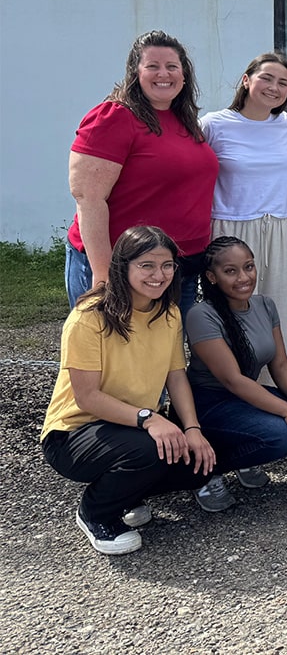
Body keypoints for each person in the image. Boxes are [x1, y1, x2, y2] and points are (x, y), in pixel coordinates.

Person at [41, 226, 216, 556]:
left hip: (132, 425)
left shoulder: (170, 313)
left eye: (167, 265)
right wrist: (149, 419)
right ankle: (96, 514)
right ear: (123, 266)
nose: (158, 275)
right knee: (148, 451)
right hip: (73, 433)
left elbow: (176, 377)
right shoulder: (88, 317)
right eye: (146, 265)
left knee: (198, 461)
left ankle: (130, 494)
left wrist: (192, 430)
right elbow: (87, 397)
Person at [66, 31, 219, 314]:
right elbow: (88, 198)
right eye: (153, 66)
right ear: (135, 73)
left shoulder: (184, 120)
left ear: (184, 75)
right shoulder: (114, 117)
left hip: (178, 267)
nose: (164, 74)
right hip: (126, 268)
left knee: (165, 356)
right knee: (116, 355)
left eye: (172, 66)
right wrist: (103, 277)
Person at [185, 236, 287, 512]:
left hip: (245, 399)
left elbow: (280, 365)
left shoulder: (264, 305)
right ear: (211, 277)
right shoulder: (201, 314)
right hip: (209, 403)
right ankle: (203, 470)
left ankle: (241, 457)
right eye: (231, 271)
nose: (243, 277)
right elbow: (233, 380)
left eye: (248, 267)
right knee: (279, 434)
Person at [201, 52, 287, 368]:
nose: (274, 87)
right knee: (230, 315)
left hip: (280, 226)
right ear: (246, 80)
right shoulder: (214, 124)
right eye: (267, 78)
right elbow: (192, 170)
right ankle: (228, 392)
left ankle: (273, 392)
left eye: (283, 83)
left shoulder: (285, 124)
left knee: (276, 311)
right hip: (232, 228)